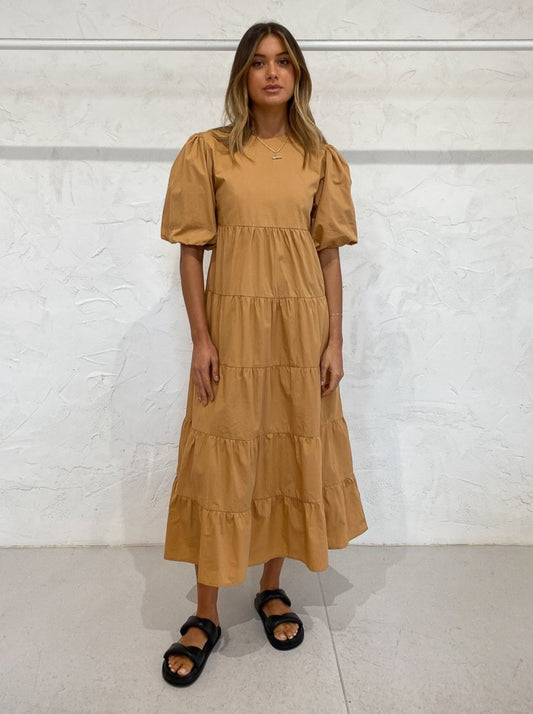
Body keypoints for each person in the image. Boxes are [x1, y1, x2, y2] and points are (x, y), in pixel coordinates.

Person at [159, 21, 368, 686]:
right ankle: (204, 613)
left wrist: (334, 339)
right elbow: (191, 253)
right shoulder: (209, 152)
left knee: (283, 451)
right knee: (221, 461)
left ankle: (271, 586)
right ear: (241, 76)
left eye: (282, 61)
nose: (271, 72)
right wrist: (201, 339)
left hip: (300, 332)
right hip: (233, 333)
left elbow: (328, 256)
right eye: (257, 62)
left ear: (297, 73)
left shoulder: (320, 158)